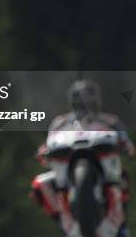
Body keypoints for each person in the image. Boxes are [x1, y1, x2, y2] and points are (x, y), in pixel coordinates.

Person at [31, 79, 134, 237]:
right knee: (40, 184)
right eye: (80, 100)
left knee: (122, 179)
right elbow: (48, 143)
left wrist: (127, 147)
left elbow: (125, 141)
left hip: (102, 162)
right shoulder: (60, 122)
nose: (84, 104)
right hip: (67, 164)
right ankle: (65, 223)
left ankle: (120, 228)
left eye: (88, 99)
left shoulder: (110, 120)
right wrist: (43, 151)